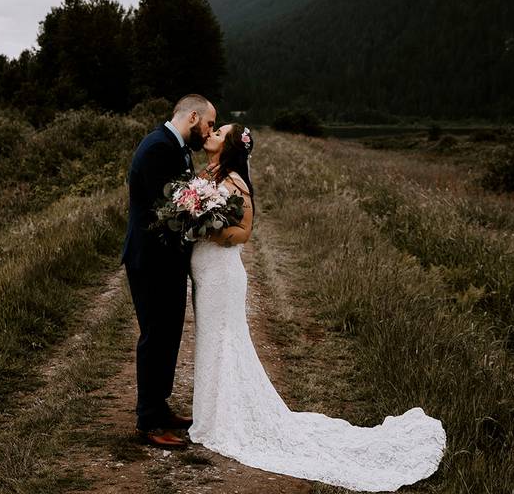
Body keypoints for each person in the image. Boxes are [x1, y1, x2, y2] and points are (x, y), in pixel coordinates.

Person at [189, 123, 447, 492]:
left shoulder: (233, 182)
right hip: (209, 272)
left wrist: (204, 227)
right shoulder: (210, 175)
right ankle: (212, 415)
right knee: (213, 340)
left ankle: (221, 421)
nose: (211, 134)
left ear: (228, 146)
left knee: (223, 340)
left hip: (222, 274)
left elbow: (244, 232)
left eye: (219, 132)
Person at [122, 94, 216, 448]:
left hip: (169, 259)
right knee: (155, 336)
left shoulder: (178, 148)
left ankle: (160, 407)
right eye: (208, 124)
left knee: (170, 333)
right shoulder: (157, 147)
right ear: (193, 117)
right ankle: (147, 421)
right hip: (150, 260)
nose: (208, 132)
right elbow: (172, 208)